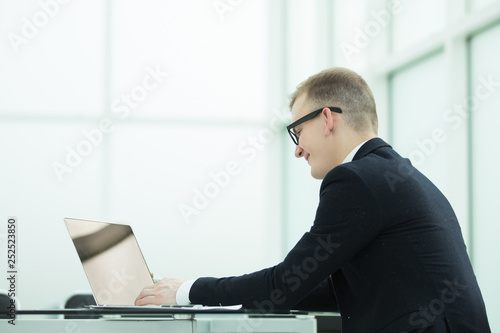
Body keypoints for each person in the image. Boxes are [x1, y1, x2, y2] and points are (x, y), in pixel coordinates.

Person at [135, 67, 490, 333]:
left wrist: (187, 291)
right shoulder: (400, 175)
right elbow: (325, 290)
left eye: (297, 132)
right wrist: (227, 298)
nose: (298, 149)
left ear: (326, 118)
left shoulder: (355, 179)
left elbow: (284, 284)